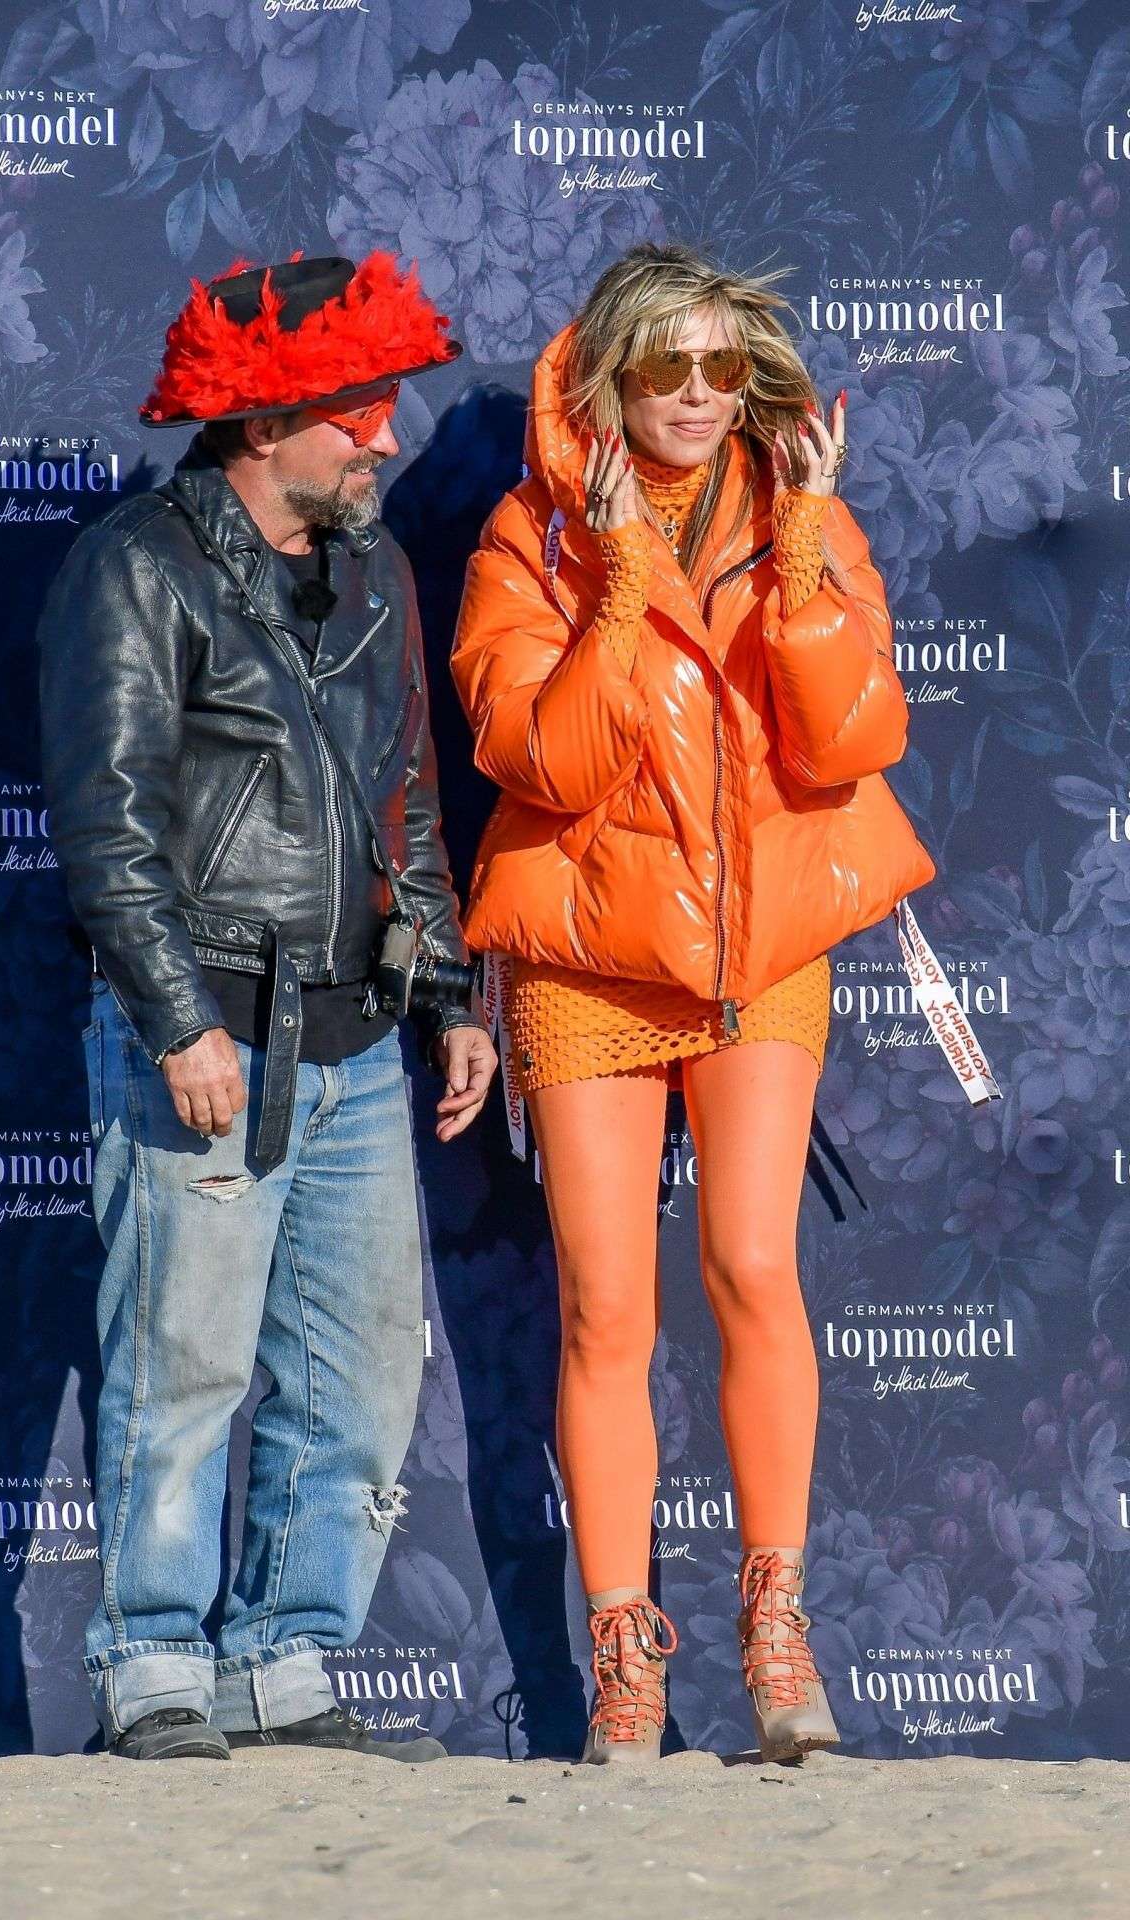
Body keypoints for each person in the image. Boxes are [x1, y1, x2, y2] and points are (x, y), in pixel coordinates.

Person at [449, 239, 942, 1766]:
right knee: (606, 1307)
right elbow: (548, 762)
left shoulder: (805, 516)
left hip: (760, 944)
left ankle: (778, 1638)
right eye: (666, 364)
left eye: (724, 366)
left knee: (751, 1265)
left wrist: (800, 564)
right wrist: (616, 590)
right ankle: (625, 1663)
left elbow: (854, 738)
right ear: (610, 376)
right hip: (588, 953)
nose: (698, 393)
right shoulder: (526, 540)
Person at [39, 250, 498, 1763]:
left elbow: (406, 803)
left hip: (357, 1036)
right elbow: (107, 829)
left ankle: (286, 1665)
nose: (387, 438)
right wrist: (178, 1023)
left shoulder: (375, 568)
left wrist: (452, 992)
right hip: (212, 1027)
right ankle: (154, 1668)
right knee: (184, 1362)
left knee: (358, 1373)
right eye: (359, 413)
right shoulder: (135, 568)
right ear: (261, 421)